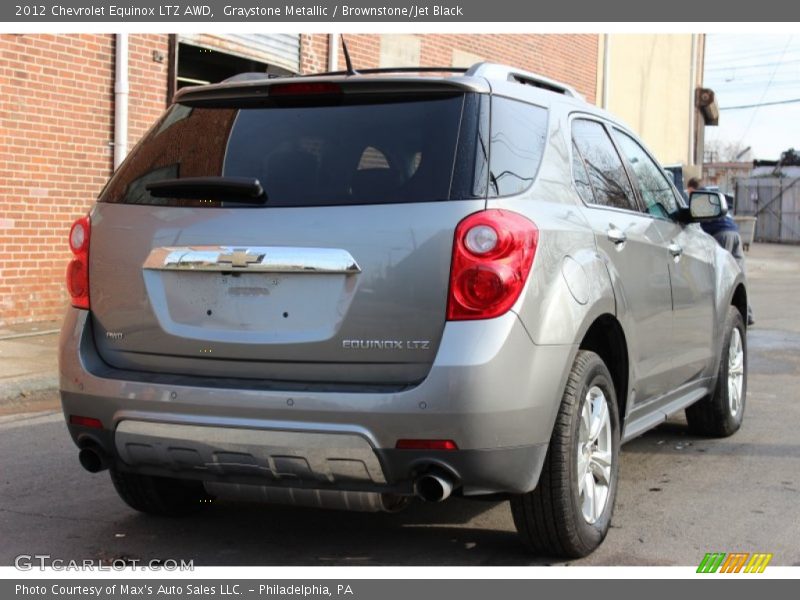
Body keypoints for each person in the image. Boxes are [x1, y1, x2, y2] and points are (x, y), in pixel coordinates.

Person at [687, 178, 755, 325]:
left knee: (721, 276)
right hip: (735, 234)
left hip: (721, 235)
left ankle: (720, 315)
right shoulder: (713, 196)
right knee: (739, 274)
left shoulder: (699, 198)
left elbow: (696, 223)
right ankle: (747, 314)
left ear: (693, 188)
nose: (688, 195)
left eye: (689, 191)